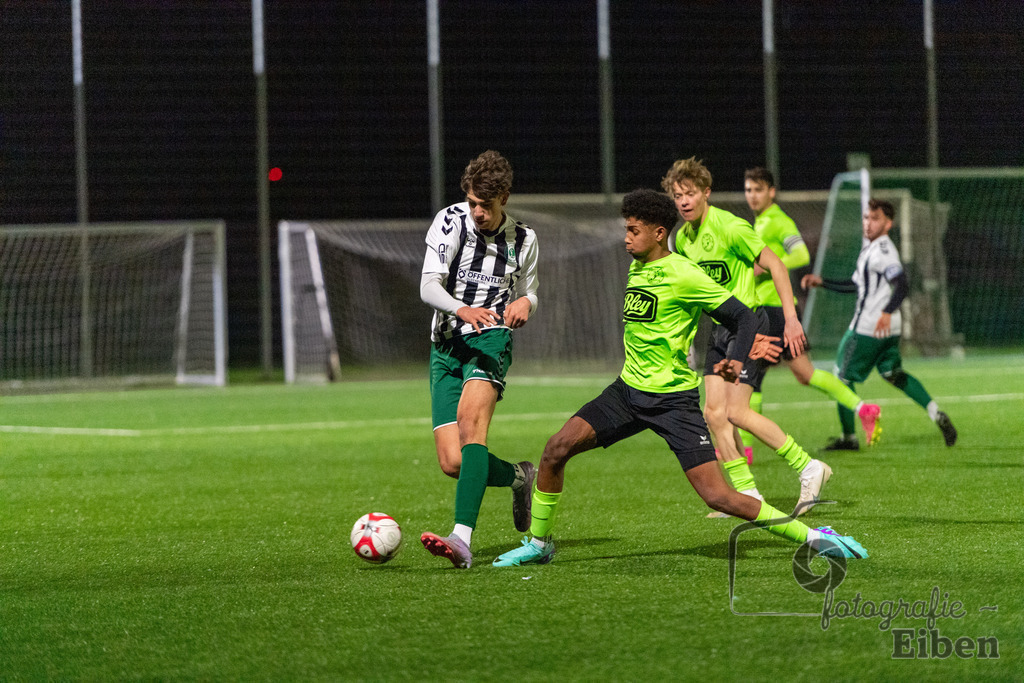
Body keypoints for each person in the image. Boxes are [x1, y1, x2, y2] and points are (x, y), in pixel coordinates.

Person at [492, 189, 867, 567]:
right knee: (556, 449)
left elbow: (745, 317)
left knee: (719, 497)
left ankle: (817, 538)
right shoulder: (638, 264)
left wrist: (736, 360)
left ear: (658, 233)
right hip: (626, 392)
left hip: (672, 402)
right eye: (626, 229)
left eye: (634, 230)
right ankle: (539, 545)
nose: (626, 237)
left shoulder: (685, 273)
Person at [663, 158, 830, 518]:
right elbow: (692, 296)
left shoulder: (730, 227)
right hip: (719, 330)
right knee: (714, 413)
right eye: (677, 196)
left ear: (706, 193)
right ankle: (747, 494)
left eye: (690, 194)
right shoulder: (682, 239)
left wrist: (790, 320)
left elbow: (777, 264)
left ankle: (808, 467)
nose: (684, 201)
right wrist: (686, 342)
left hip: (748, 325)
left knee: (737, 412)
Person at [418, 150, 539, 569]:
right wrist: (460, 309)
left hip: (491, 341)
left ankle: (461, 538)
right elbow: (428, 286)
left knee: (473, 429)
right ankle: (521, 477)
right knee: (454, 462)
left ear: (504, 197)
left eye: (485, 205)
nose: (477, 212)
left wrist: (527, 302)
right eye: (472, 202)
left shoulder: (525, 239)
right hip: (446, 344)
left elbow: (530, 290)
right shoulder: (450, 222)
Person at [741, 167, 882, 454]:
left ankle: (745, 451)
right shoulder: (760, 222)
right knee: (805, 373)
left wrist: (768, 266)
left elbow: (801, 254)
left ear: (771, 192)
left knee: (749, 374)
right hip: (777, 309)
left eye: (758, 189)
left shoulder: (777, 221)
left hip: (772, 310)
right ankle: (863, 408)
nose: (752, 196)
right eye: (748, 190)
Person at [802, 198, 957, 449]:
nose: (868, 223)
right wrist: (823, 282)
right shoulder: (872, 249)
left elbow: (902, 283)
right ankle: (936, 412)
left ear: (888, 224)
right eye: (866, 217)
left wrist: (885, 310)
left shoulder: (883, 252)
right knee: (894, 375)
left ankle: (849, 437)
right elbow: (856, 285)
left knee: (840, 377)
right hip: (889, 329)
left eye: (875, 219)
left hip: (868, 328)